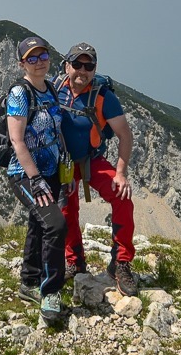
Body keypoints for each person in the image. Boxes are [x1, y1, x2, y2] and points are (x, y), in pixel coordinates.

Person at [55, 42, 138, 295]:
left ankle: (120, 263)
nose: (83, 70)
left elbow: (125, 135)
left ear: (94, 69)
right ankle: (75, 261)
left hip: (92, 160)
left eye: (89, 65)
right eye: (77, 64)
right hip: (64, 162)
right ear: (67, 65)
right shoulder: (54, 90)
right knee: (66, 209)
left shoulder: (104, 97)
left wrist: (121, 173)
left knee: (122, 197)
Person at [5, 36, 69, 327]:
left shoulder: (51, 89)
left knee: (39, 223)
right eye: (32, 58)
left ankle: (28, 281)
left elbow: (56, 132)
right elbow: (17, 142)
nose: (39, 61)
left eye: (42, 55)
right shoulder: (20, 93)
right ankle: (50, 292)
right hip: (26, 175)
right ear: (22, 64)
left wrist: (62, 171)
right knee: (55, 224)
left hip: (52, 172)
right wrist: (37, 180)